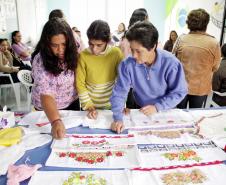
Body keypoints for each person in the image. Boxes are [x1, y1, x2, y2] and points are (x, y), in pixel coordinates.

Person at [110, 21, 188, 133]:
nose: (134, 55)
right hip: (140, 109)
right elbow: (119, 92)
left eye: (138, 51)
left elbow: (179, 91)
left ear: (153, 46)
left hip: (165, 110)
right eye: (132, 50)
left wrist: (157, 107)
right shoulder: (127, 64)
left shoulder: (171, 63)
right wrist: (118, 118)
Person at [31, 18, 80, 139]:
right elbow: (46, 94)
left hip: (71, 102)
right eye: (55, 45)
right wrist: (55, 121)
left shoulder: (74, 49)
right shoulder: (40, 60)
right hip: (47, 109)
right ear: (47, 44)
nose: (60, 50)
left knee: (74, 138)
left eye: (64, 44)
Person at [172, 9, 221, 109]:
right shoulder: (214, 43)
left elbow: (173, 61)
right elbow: (215, 67)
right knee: (196, 114)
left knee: (180, 114)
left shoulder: (181, 39)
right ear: (206, 24)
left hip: (181, 86)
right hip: (201, 88)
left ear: (188, 23)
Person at [76, 20, 123, 119]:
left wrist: (120, 103)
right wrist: (88, 105)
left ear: (107, 41)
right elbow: (80, 83)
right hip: (89, 104)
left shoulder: (116, 53)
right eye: (91, 44)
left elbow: (122, 81)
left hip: (111, 105)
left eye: (99, 45)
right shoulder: (83, 55)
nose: (94, 49)